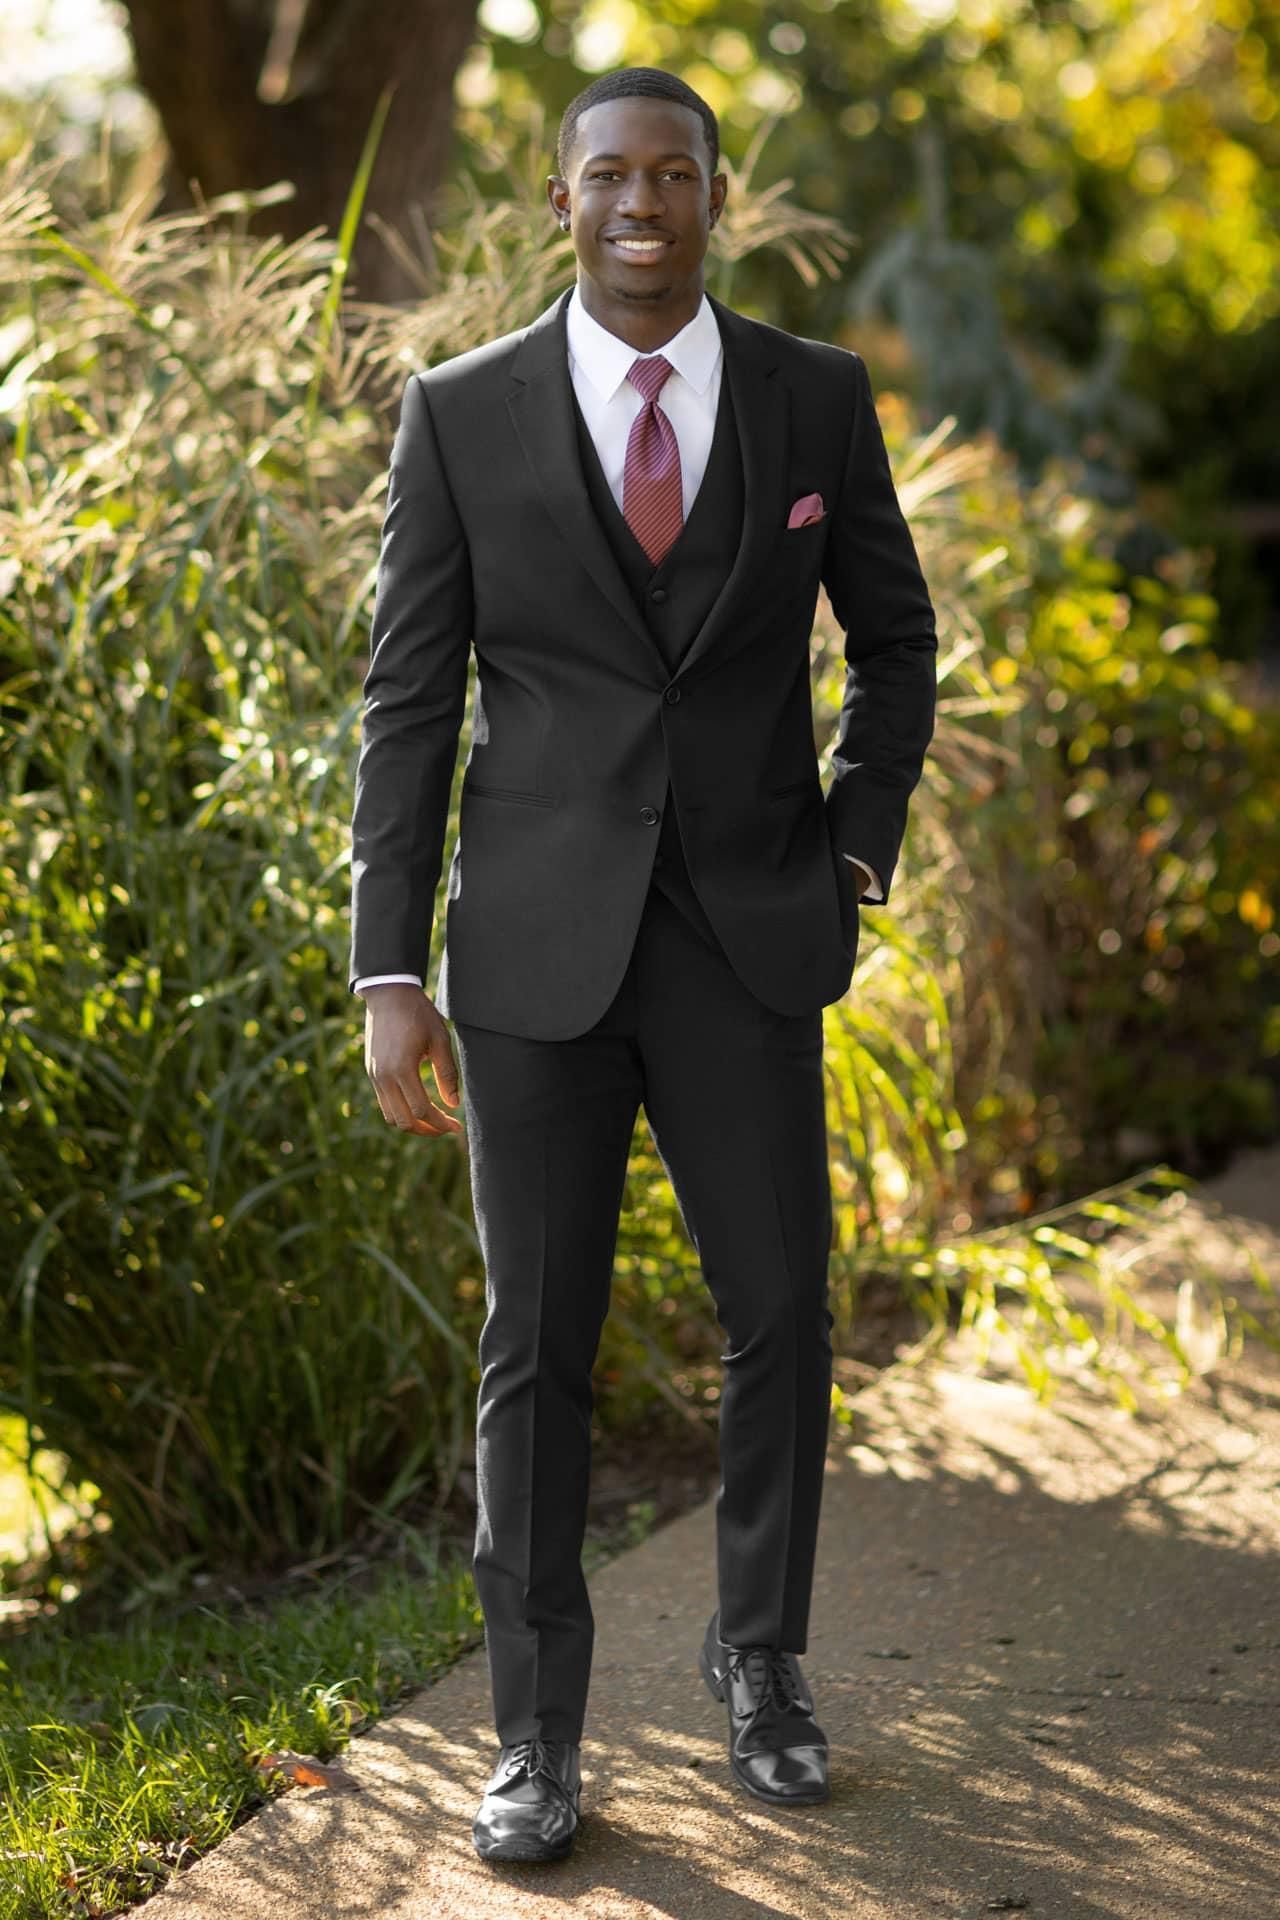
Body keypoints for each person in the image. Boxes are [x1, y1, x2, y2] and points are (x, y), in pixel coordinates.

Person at [348, 65, 938, 1865]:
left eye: (673, 172)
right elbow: (409, 702)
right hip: (529, 959)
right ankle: (533, 1739)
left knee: (783, 1322)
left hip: (751, 942)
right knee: (540, 1351)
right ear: (560, 200)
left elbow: (897, 648)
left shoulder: (815, 400)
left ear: (714, 195)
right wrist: (387, 970)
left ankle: (761, 1666)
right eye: (608, 173)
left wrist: (849, 850)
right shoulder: (459, 416)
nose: (641, 201)